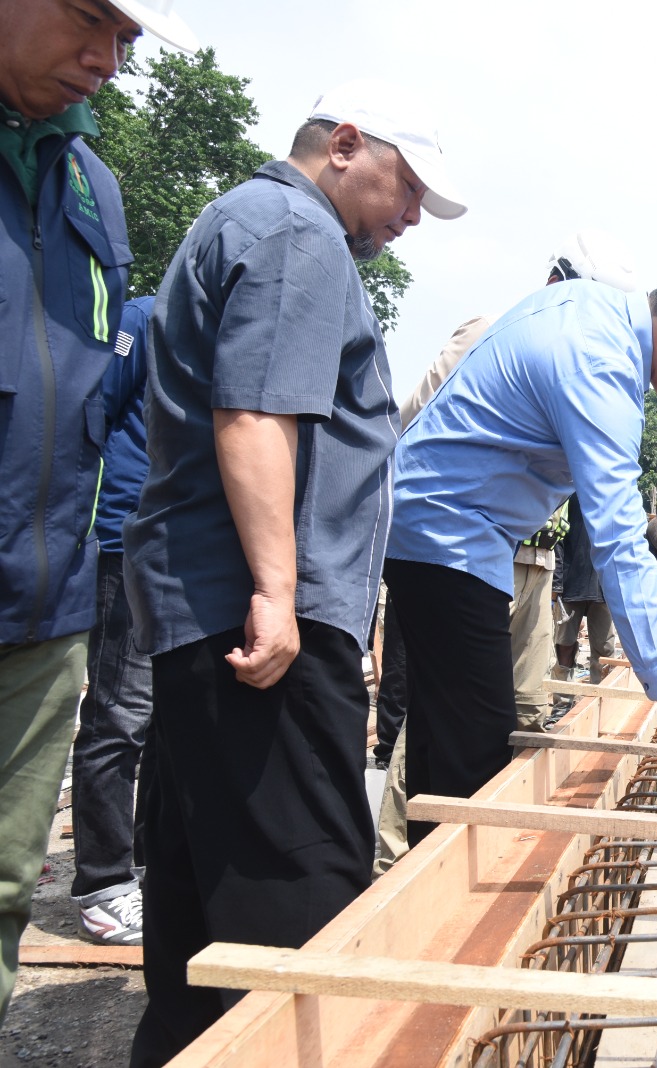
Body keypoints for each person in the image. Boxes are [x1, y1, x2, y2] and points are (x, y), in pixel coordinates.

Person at [121, 81, 465, 1061]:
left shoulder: (249, 220)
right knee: (301, 920)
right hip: (257, 622)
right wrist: (277, 591)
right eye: (405, 190)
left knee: (201, 926)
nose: (407, 219)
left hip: (214, 614)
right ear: (346, 144)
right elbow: (256, 413)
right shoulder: (295, 235)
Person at [385, 264, 657, 842]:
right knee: (468, 764)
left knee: (460, 740)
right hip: (447, 537)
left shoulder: (587, 308)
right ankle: (429, 907)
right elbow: (620, 539)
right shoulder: (600, 362)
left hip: (454, 534)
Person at [0, 0, 195, 1025]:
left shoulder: (89, 190)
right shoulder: (161, 325)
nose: (108, 60)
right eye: (91, 21)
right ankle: (105, 876)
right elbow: (108, 407)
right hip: (108, 542)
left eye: (127, 39)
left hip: (63, 579)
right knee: (120, 715)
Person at [71, 296, 156, 948]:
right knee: (118, 715)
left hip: (177, 549)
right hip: (124, 539)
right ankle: (101, 885)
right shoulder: (146, 321)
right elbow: (91, 414)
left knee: (160, 714)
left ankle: (147, 863)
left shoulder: (231, 330)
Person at [553, 498, 617, 684]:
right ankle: (563, 699)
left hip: (602, 585)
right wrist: (557, 584)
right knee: (565, 644)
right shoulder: (568, 496)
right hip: (572, 582)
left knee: (604, 648)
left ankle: (601, 696)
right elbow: (558, 539)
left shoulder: (610, 496)